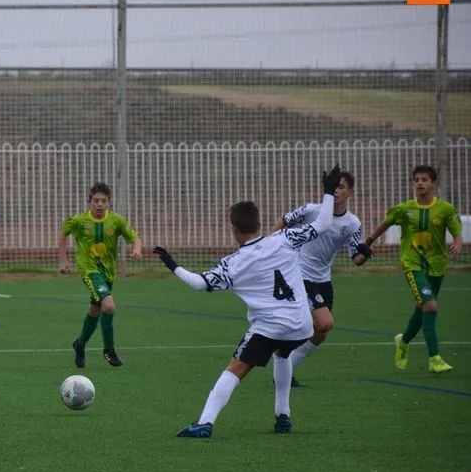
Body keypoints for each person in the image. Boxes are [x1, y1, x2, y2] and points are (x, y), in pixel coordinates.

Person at [154, 165, 343, 439]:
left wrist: (172, 265)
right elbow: (324, 224)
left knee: (235, 369)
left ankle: (205, 422)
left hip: (270, 326)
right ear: (258, 223)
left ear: (233, 227)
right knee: (284, 353)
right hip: (301, 324)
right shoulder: (285, 239)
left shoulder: (235, 263)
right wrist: (328, 192)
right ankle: (283, 415)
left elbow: (199, 283)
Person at [272, 172, 373, 385]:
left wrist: (365, 251)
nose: (336, 190)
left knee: (322, 330)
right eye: (333, 186)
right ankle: (282, 362)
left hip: (323, 280)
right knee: (324, 321)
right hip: (300, 274)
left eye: (342, 186)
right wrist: (273, 248)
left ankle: (285, 366)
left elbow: (356, 259)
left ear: (351, 192)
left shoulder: (352, 223)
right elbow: (283, 221)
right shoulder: (312, 211)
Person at [365, 165, 463, 373]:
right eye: (417, 179)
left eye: (424, 179)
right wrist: (369, 241)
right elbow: (386, 223)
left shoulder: (445, 209)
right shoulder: (405, 209)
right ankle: (434, 358)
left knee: (423, 308)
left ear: (433, 184)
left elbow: (456, 232)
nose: (420, 183)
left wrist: (457, 242)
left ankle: (403, 341)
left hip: (436, 265)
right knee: (431, 306)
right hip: (412, 263)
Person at [58, 182, 142, 368]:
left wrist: (136, 248)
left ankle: (80, 344)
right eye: (96, 201)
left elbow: (135, 237)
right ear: (89, 201)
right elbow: (63, 234)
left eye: (103, 201)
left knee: (95, 311)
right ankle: (109, 350)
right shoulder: (79, 221)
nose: (99, 204)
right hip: (89, 270)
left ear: (109, 202)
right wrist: (63, 260)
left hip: (108, 273)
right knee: (109, 307)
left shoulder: (116, 221)